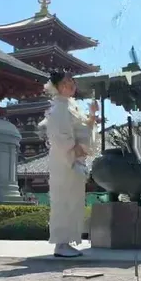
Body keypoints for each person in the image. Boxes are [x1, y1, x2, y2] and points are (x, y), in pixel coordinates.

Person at [39, 71, 99, 258]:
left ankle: (67, 242)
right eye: (65, 82)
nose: (71, 84)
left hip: (74, 159)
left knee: (73, 200)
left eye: (72, 81)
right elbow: (59, 137)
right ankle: (60, 243)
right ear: (57, 87)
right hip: (64, 160)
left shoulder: (71, 106)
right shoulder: (58, 108)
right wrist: (76, 149)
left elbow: (84, 127)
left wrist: (92, 114)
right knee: (63, 200)